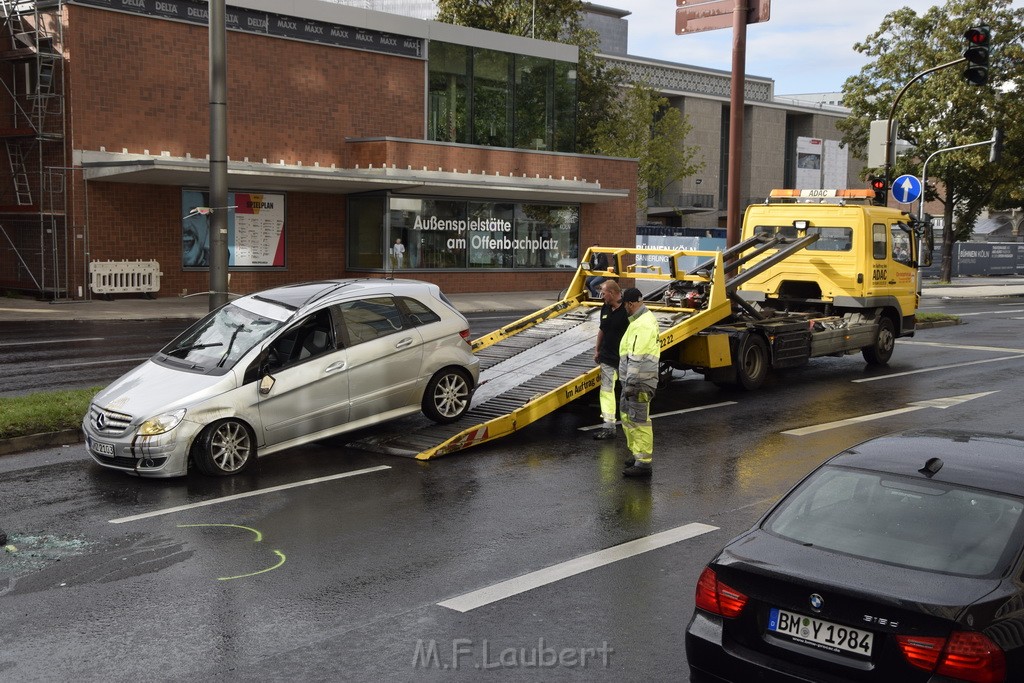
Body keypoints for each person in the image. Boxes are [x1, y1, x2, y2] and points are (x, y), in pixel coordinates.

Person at [618, 287, 660, 478]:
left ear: (631, 304)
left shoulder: (642, 324)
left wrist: (630, 383)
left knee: (639, 420)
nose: (623, 308)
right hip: (635, 381)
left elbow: (637, 357)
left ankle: (643, 463)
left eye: (624, 305)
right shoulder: (640, 321)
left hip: (640, 382)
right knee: (629, 417)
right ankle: (637, 454)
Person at [592, 280, 630, 441]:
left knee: (628, 392)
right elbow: (602, 329)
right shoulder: (606, 308)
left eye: (604, 293)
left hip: (624, 358)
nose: (602, 296)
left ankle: (631, 425)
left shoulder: (628, 310)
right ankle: (609, 427)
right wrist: (597, 349)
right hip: (607, 356)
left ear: (613, 293)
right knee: (607, 391)